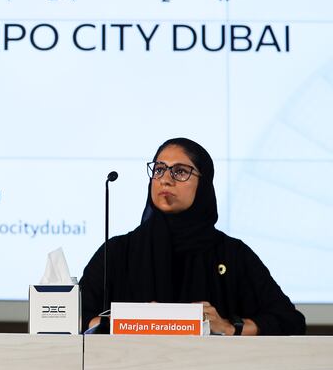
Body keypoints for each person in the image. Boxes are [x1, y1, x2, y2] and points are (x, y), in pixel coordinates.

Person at [79, 137, 305, 335]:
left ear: (203, 184)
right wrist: (124, 322)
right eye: (159, 169)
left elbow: (290, 320)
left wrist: (229, 327)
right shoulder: (119, 251)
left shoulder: (232, 254)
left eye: (180, 171)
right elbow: (75, 315)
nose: (165, 179)